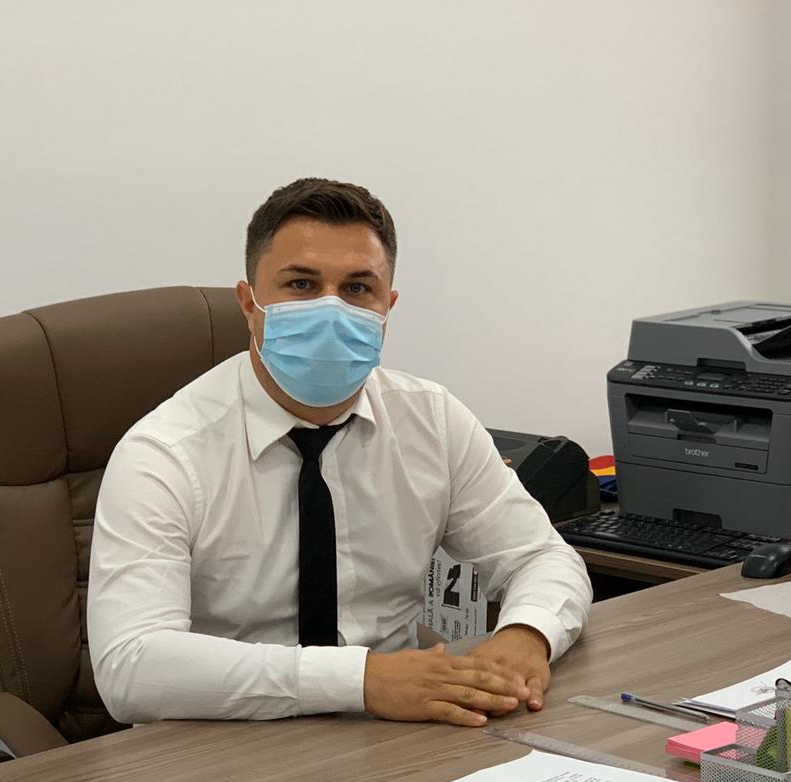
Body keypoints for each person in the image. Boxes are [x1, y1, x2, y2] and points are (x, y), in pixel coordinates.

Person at [89, 177, 591, 727]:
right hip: (222, 741)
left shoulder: (431, 420)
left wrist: (526, 633)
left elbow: (542, 557)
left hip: (400, 733)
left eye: (357, 288)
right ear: (249, 304)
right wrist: (361, 680)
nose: (331, 309)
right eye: (301, 284)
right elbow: (130, 667)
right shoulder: (164, 454)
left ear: (387, 307)